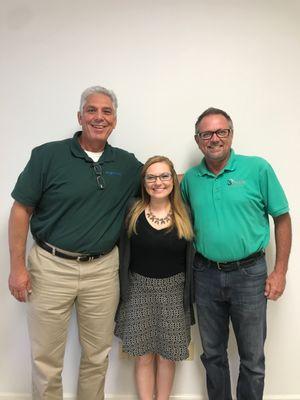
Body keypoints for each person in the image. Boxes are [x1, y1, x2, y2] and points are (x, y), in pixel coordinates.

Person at [8, 85, 142, 400]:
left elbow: (159, 182)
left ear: (115, 120)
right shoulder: (47, 156)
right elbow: (20, 211)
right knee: (46, 359)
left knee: (97, 355)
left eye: (106, 111)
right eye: (92, 110)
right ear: (79, 116)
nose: (99, 117)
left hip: (102, 270)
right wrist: (17, 268)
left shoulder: (126, 164)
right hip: (50, 267)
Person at [181, 107, 292, 400]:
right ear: (197, 140)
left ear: (231, 134)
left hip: (250, 275)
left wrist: (280, 271)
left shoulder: (257, 168)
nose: (214, 138)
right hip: (204, 274)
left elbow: (282, 217)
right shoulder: (191, 179)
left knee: (252, 359)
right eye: (207, 133)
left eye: (221, 132)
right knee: (213, 355)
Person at [115, 155, 195, 400]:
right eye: (151, 177)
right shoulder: (133, 209)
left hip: (174, 292)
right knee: (143, 356)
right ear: (144, 182)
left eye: (164, 176)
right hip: (138, 290)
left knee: (167, 356)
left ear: (173, 180)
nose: (157, 182)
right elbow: (123, 252)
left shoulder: (186, 214)